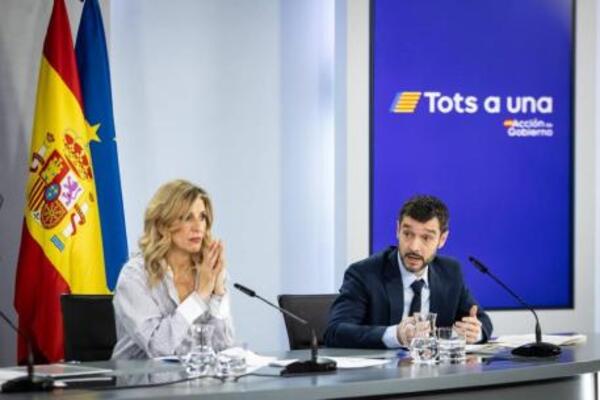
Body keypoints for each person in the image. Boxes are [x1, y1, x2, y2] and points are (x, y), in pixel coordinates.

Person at [324, 195, 492, 349]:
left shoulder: (450, 272)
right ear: (398, 230)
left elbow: (481, 320)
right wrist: (396, 335)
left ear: (442, 239)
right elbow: (335, 332)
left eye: (426, 237)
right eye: (407, 234)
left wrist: (475, 332)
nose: (413, 247)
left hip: (434, 370)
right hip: (382, 371)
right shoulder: (364, 274)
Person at [112, 180, 234, 359]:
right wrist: (200, 296)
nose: (198, 227)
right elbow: (159, 348)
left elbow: (222, 347)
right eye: (187, 218)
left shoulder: (207, 271)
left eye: (202, 217)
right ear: (163, 224)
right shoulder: (134, 276)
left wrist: (218, 292)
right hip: (140, 376)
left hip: (193, 376)